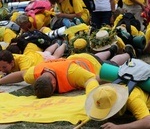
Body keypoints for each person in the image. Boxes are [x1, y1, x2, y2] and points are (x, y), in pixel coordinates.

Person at [0, 44, 135, 98]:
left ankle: (128, 53)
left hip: (90, 63)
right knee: (100, 56)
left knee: (112, 63)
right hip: (73, 59)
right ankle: (111, 49)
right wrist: (1, 82)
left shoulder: (72, 74)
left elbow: (93, 79)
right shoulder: (34, 73)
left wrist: (91, 98)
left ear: (53, 84)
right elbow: (20, 75)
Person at [85, 82, 150, 129]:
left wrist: (118, 127)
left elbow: (148, 122)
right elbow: (91, 81)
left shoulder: (132, 99)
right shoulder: (99, 95)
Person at [0, 42, 67, 74]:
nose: (1, 70)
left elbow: (23, 74)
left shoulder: (22, 61)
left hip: (40, 59)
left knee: (55, 57)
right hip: (33, 56)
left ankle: (64, 44)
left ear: (12, 62)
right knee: (47, 52)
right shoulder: (6, 59)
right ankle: (56, 44)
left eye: (4, 67)